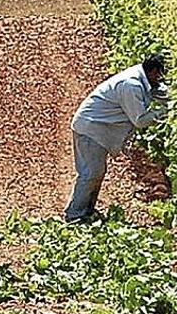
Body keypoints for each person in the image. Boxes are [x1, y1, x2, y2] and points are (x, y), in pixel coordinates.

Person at [64, 53, 170, 222]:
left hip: (97, 129)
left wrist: (176, 97)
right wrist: (166, 111)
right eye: (159, 75)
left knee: (96, 171)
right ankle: (74, 215)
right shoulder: (131, 85)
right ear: (153, 71)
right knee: (91, 172)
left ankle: (87, 211)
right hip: (91, 130)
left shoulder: (142, 78)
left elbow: (159, 92)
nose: (160, 79)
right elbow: (140, 120)